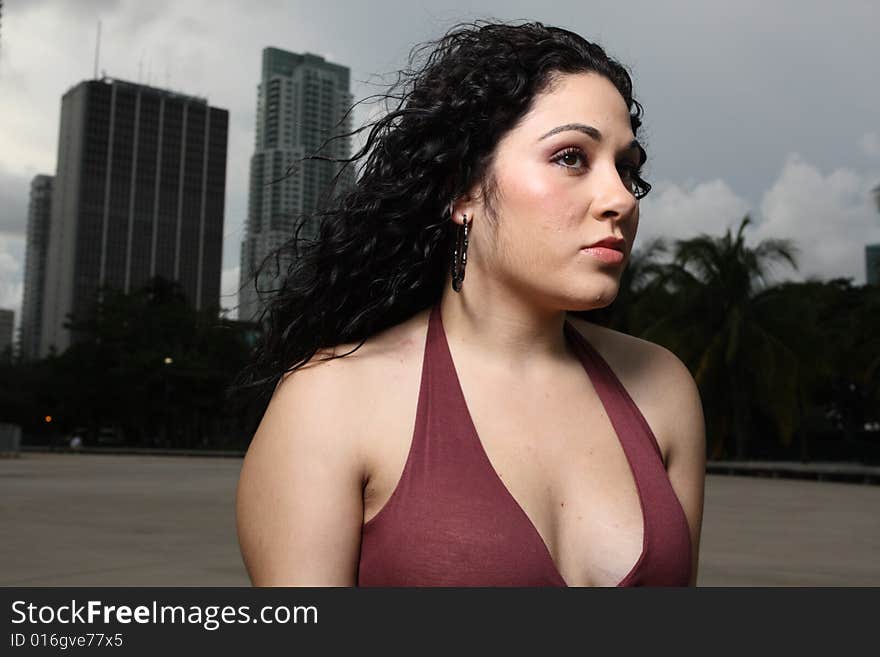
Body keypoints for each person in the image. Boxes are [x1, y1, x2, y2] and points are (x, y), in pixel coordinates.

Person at [234, 19, 706, 587]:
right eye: (571, 157)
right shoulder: (328, 403)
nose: (620, 200)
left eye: (627, 169)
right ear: (464, 190)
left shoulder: (664, 389)